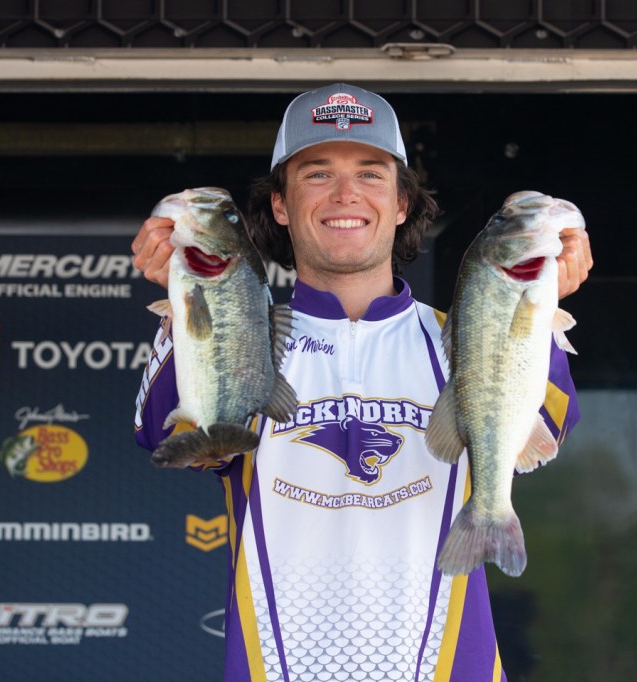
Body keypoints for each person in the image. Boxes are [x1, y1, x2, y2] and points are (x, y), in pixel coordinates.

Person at [132, 83, 592, 681]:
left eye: (371, 174)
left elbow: (550, 424)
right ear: (280, 204)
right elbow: (166, 436)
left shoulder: (465, 336)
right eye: (317, 173)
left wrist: (538, 306)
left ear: (401, 203)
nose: (345, 193)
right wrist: (185, 303)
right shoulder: (245, 339)